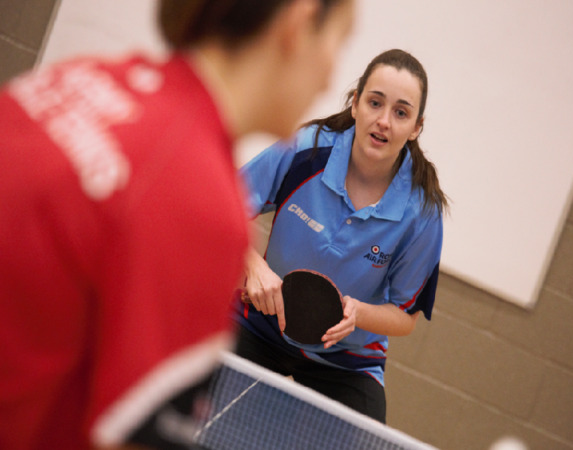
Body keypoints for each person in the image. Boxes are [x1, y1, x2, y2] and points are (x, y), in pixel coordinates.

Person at [0, 1, 355, 449]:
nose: (328, 78)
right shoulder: (200, 199)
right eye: (338, 42)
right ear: (297, 25)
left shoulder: (76, 78)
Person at [237, 48, 448, 423]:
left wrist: (358, 313)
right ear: (355, 104)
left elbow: (406, 317)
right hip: (261, 324)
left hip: (347, 361)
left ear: (416, 128)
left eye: (401, 113)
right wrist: (253, 266)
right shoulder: (306, 150)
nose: (384, 121)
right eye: (375, 102)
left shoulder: (422, 213)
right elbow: (222, 208)